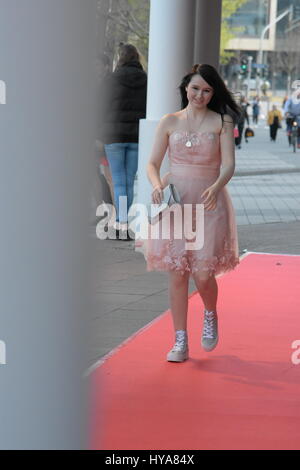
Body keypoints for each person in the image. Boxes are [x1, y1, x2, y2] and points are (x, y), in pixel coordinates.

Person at [143, 63, 241, 363]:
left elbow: (228, 164)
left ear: (214, 93)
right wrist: (158, 184)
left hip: (209, 201)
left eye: (207, 90)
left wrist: (217, 185)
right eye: (195, 88)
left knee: (202, 273)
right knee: (177, 274)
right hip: (176, 202)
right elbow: (152, 163)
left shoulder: (221, 122)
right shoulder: (168, 122)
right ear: (186, 87)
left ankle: (210, 313)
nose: (200, 94)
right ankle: (180, 340)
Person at [100, 43, 147, 239]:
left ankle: (121, 223)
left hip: (114, 136)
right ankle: (124, 221)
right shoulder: (146, 80)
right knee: (129, 181)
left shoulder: (111, 80)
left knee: (118, 181)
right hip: (136, 137)